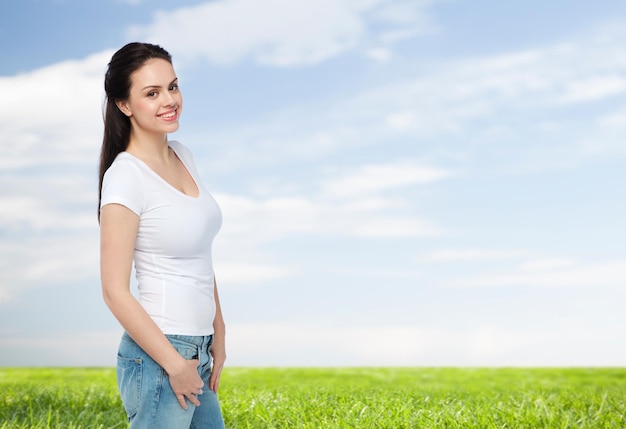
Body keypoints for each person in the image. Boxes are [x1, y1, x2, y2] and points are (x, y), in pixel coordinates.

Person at [98, 42, 226, 428]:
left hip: (197, 347)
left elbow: (199, 254)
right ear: (124, 105)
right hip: (161, 355)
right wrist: (174, 363)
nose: (169, 100)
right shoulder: (125, 177)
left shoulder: (183, 155)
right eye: (151, 93)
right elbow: (113, 291)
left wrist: (218, 331)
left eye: (172, 86)